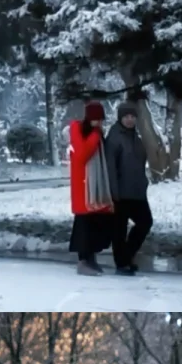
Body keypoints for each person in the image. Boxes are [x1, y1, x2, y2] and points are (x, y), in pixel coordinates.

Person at [105, 100, 153, 275]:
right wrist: (113, 193)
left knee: (145, 222)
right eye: (126, 116)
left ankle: (126, 256)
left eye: (133, 116)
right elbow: (110, 167)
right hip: (120, 192)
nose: (130, 120)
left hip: (137, 191)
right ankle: (122, 262)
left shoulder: (135, 137)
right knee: (119, 229)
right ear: (120, 117)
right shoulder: (114, 138)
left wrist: (144, 182)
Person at [68, 101, 114, 276]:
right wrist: (95, 135)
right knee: (84, 224)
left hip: (94, 186)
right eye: (96, 120)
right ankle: (83, 260)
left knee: (95, 223)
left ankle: (91, 258)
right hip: (83, 186)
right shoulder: (78, 130)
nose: (99, 124)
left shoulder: (97, 133)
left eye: (101, 120)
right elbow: (82, 154)